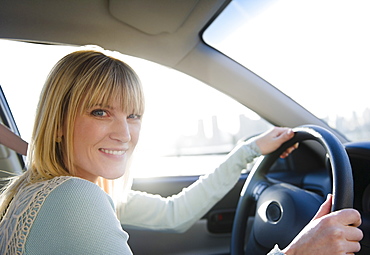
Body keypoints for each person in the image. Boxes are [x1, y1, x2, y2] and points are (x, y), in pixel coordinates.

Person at [0, 49, 362, 255]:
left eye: (134, 115)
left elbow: (176, 213)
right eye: (100, 112)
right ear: (58, 122)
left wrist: (248, 150)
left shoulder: (38, 190)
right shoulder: (75, 199)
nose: (124, 133)